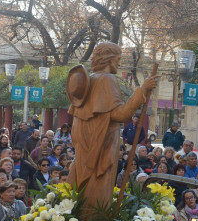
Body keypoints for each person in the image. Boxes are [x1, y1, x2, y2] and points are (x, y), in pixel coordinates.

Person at [66, 44, 157, 209]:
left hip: (86, 151)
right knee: (97, 199)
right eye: (118, 59)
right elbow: (120, 115)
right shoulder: (107, 79)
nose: (119, 63)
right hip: (102, 148)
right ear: (109, 59)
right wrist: (142, 91)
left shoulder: (88, 80)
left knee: (82, 195)